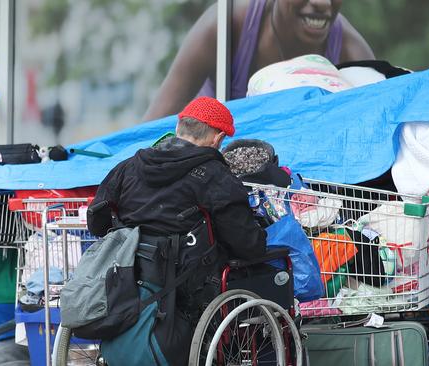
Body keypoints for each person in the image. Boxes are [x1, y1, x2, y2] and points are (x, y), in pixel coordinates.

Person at [88, 96, 267, 364]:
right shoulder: (214, 175)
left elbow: (96, 221)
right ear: (218, 139)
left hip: (125, 273)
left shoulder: (129, 166)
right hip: (188, 282)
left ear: (179, 127)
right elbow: (246, 243)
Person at [143, 0, 375, 121]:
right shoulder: (225, 26)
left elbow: (382, 129)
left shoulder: (349, 49)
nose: (322, 2)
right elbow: (153, 123)